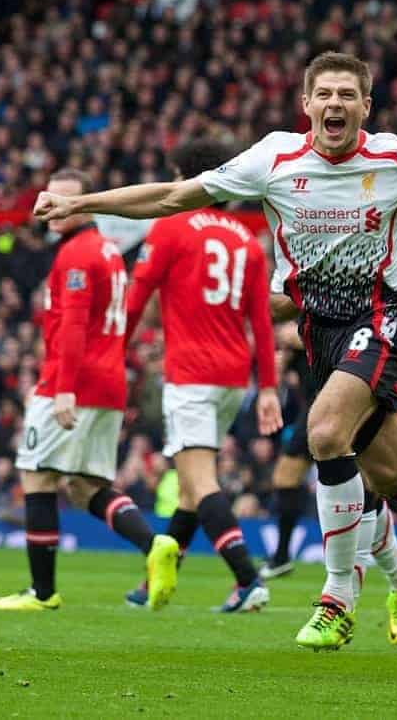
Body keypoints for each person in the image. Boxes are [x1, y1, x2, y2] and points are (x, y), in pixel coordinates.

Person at [33, 51, 397, 650]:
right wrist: (82, 204)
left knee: (325, 431)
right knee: (391, 474)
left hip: (385, 316)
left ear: (366, 106)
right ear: (306, 104)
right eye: (325, 94)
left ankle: (338, 596)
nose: (334, 104)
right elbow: (171, 198)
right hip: (321, 329)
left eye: (347, 95)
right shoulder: (273, 159)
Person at [259, 207, 397, 647]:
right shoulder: (312, 226)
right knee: (300, 471)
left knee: (370, 482)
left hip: (387, 365)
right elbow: (287, 304)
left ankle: (342, 602)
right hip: (328, 376)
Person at [0, 168, 180, 613]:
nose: (52, 208)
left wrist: (64, 390)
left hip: (72, 379)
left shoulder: (76, 255)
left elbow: (74, 326)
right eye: (48, 199)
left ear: (84, 203)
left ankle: (41, 591)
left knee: (37, 474)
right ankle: (154, 545)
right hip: (109, 381)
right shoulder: (108, 251)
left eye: (64, 200)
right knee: (84, 486)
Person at [119, 139, 283, 613]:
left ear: (186, 179)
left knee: (201, 481)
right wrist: (268, 386)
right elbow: (262, 324)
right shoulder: (245, 241)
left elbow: (136, 296)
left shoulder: (172, 227)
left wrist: (116, 348)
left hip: (191, 373)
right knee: (190, 489)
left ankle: (248, 579)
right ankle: (155, 581)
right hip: (234, 378)